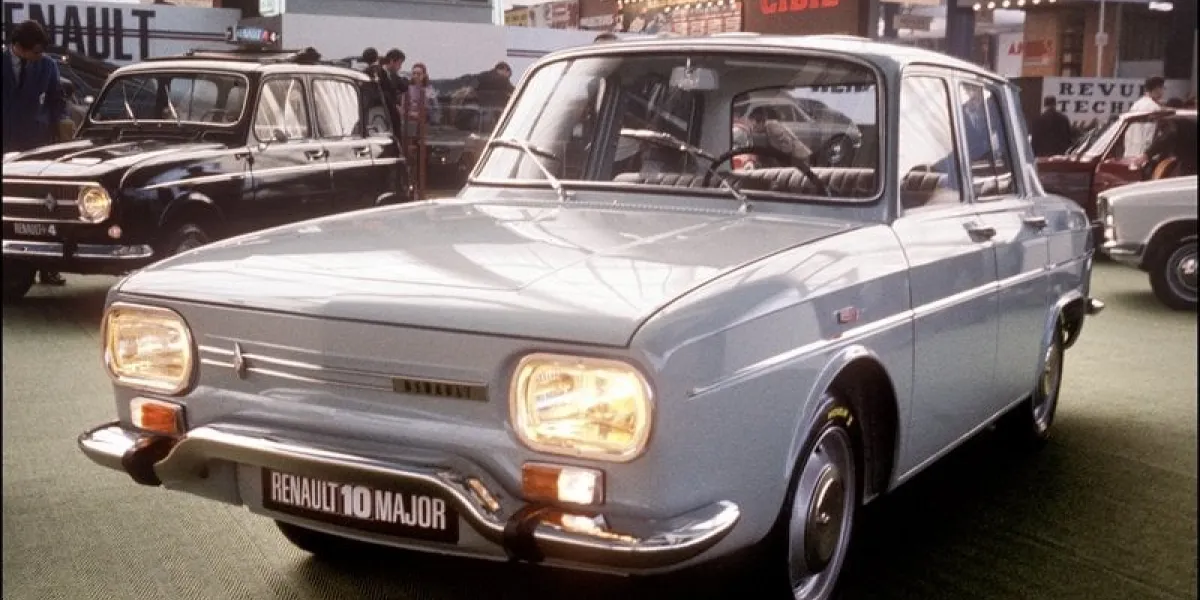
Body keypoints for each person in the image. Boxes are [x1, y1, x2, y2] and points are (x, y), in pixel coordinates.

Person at [4, 21, 67, 286]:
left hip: (36, 148)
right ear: (18, 47)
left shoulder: (47, 66)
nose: (40, 56)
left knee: (44, 210)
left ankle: (48, 267)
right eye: (36, 51)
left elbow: (57, 101)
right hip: (5, 144)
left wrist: (60, 128)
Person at [1124, 75, 1165, 158]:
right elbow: (1151, 133)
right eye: (1162, 88)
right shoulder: (1155, 108)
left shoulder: (1135, 105)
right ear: (1157, 88)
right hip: (1144, 156)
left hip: (1129, 152)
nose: (1163, 91)